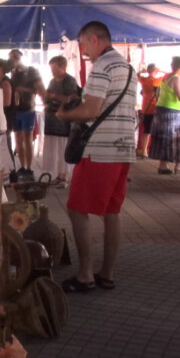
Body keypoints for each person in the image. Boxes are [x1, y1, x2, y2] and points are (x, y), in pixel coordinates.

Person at [56, 21, 137, 293]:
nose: (84, 51)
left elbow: (91, 109)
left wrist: (64, 115)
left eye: (84, 45)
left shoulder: (102, 66)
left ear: (94, 39)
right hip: (125, 147)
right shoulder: (127, 68)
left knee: (77, 209)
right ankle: (107, 273)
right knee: (112, 212)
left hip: (101, 150)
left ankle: (85, 274)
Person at [43, 55, 82, 185]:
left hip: (64, 121)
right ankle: (59, 174)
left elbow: (70, 99)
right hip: (52, 119)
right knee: (55, 148)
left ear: (62, 67)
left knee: (63, 147)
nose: (52, 71)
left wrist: (54, 96)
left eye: (54, 68)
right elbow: (47, 97)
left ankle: (64, 175)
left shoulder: (70, 81)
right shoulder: (52, 81)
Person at [149, 56, 180, 174]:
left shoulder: (166, 76)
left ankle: (163, 165)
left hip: (161, 110)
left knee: (163, 138)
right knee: (177, 138)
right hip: (172, 112)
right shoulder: (176, 79)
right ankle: (179, 166)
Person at [9, 49, 45, 177]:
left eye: (15, 58)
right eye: (11, 58)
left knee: (27, 139)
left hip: (28, 108)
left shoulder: (31, 71)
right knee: (17, 139)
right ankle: (22, 166)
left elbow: (39, 89)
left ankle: (29, 168)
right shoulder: (12, 74)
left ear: (20, 57)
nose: (13, 60)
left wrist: (22, 89)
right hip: (15, 109)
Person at [137, 63, 163, 158]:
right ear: (155, 70)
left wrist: (141, 71)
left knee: (146, 131)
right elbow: (168, 75)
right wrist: (160, 70)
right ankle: (151, 151)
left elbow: (136, 75)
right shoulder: (157, 81)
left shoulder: (144, 80)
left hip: (145, 107)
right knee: (154, 131)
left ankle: (144, 151)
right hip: (154, 107)